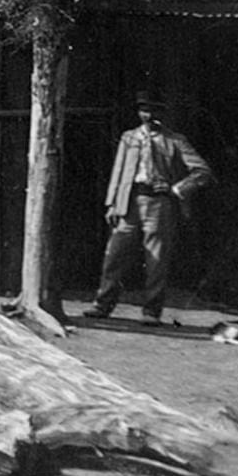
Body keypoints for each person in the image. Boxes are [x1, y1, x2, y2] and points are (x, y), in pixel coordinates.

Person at [83, 92, 213, 325]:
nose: (148, 115)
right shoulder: (129, 137)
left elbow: (202, 171)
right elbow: (118, 171)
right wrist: (112, 203)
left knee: (156, 260)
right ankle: (102, 305)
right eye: (144, 110)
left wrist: (176, 189)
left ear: (161, 113)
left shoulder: (174, 140)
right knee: (115, 254)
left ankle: (152, 312)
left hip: (159, 204)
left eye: (153, 111)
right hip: (129, 202)